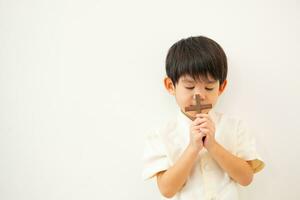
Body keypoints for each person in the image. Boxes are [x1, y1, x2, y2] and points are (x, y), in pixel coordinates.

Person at [142, 36, 265, 200]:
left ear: (221, 87)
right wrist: (193, 148)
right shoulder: (161, 135)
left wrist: (213, 145)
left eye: (209, 87)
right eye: (189, 87)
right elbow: (167, 190)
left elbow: (246, 178)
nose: (199, 95)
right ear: (171, 86)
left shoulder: (235, 127)